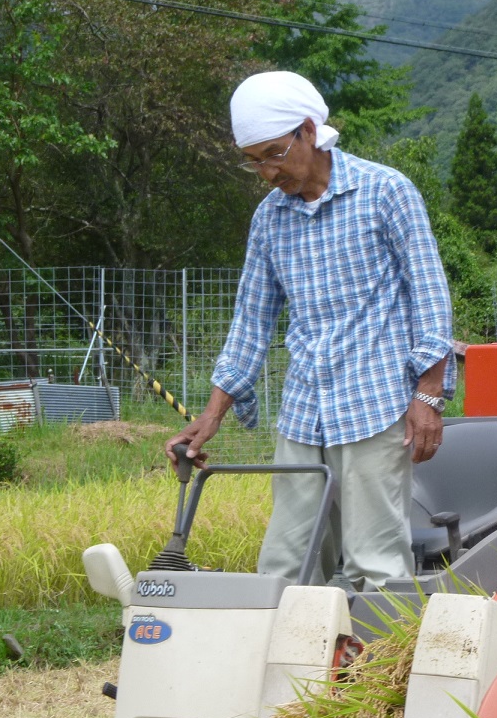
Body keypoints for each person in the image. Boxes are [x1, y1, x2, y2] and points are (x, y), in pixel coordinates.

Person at [166, 70, 454, 592]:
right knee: (286, 561)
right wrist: (209, 418)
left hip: (374, 402)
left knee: (375, 563)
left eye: (273, 154)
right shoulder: (269, 219)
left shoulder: (385, 191)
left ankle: (383, 647)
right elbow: (251, 322)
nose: (266, 172)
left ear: (308, 131)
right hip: (304, 409)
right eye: (253, 161)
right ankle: (294, 646)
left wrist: (428, 394)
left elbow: (429, 296)